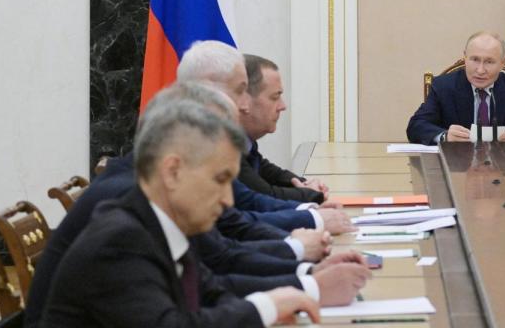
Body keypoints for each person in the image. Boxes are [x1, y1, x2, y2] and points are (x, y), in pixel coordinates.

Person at [40, 98, 324, 326]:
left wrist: (293, 292)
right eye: (220, 180)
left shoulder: (163, 220)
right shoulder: (120, 239)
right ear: (173, 171)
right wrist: (265, 307)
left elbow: (211, 292)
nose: (227, 200)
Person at [177, 41, 353, 234]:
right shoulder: (194, 146)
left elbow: (246, 202)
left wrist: (308, 206)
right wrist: (312, 216)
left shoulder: (213, 140)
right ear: (209, 91)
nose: (244, 104)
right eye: (239, 91)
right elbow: (241, 216)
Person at [407, 31, 505, 144]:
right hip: (458, 170)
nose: (480, 70)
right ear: (465, 57)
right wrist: (445, 136)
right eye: (474, 60)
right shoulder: (443, 86)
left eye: (489, 62)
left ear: (502, 63)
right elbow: (416, 126)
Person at [239, 54, 327, 203]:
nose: (282, 106)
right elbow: (263, 196)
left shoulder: (246, 142)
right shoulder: (220, 145)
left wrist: (304, 183)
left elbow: (266, 171)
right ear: (244, 100)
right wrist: (310, 194)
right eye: (274, 97)